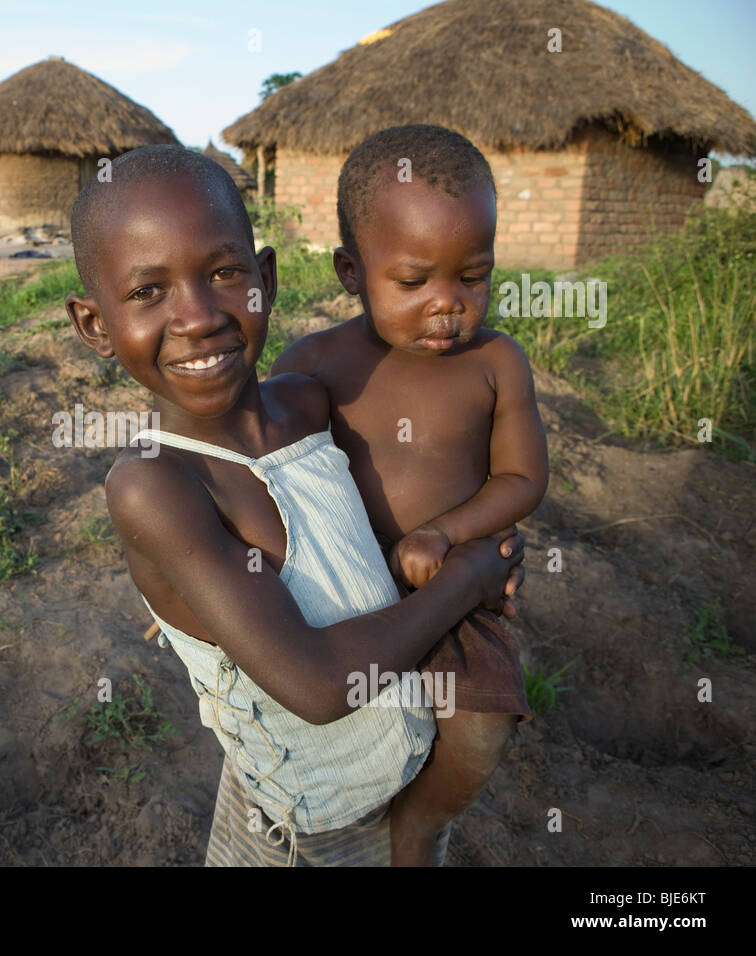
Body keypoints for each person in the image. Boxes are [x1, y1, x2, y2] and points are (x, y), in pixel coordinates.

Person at [64, 145, 525, 865]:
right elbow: (316, 684)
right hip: (307, 831)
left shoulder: (309, 404)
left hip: (403, 768)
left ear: (266, 280)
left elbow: (399, 496)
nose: (197, 317)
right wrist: (470, 579)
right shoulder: (154, 484)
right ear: (94, 326)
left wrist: (471, 533)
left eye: (223, 273)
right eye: (148, 292)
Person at [273, 124, 549, 864]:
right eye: (414, 280)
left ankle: (418, 827)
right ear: (351, 271)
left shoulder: (496, 363)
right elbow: (259, 470)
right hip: (340, 596)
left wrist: (445, 535)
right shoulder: (316, 363)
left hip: (455, 586)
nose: (447, 304)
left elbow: (523, 479)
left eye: (473, 276)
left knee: (481, 726)